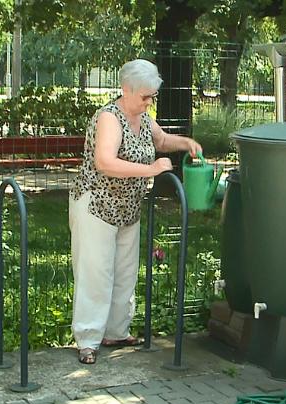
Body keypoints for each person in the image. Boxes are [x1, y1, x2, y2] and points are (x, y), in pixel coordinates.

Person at [69, 59, 202, 364]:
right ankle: (88, 339)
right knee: (96, 273)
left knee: (125, 272)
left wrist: (186, 143)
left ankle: (116, 331)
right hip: (97, 205)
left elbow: (162, 140)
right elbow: (105, 162)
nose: (149, 102)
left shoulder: (143, 117)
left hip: (127, 207)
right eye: (144, 96)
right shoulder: (109, 118)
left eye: (152, 96)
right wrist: (150, 170)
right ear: (125, 90)